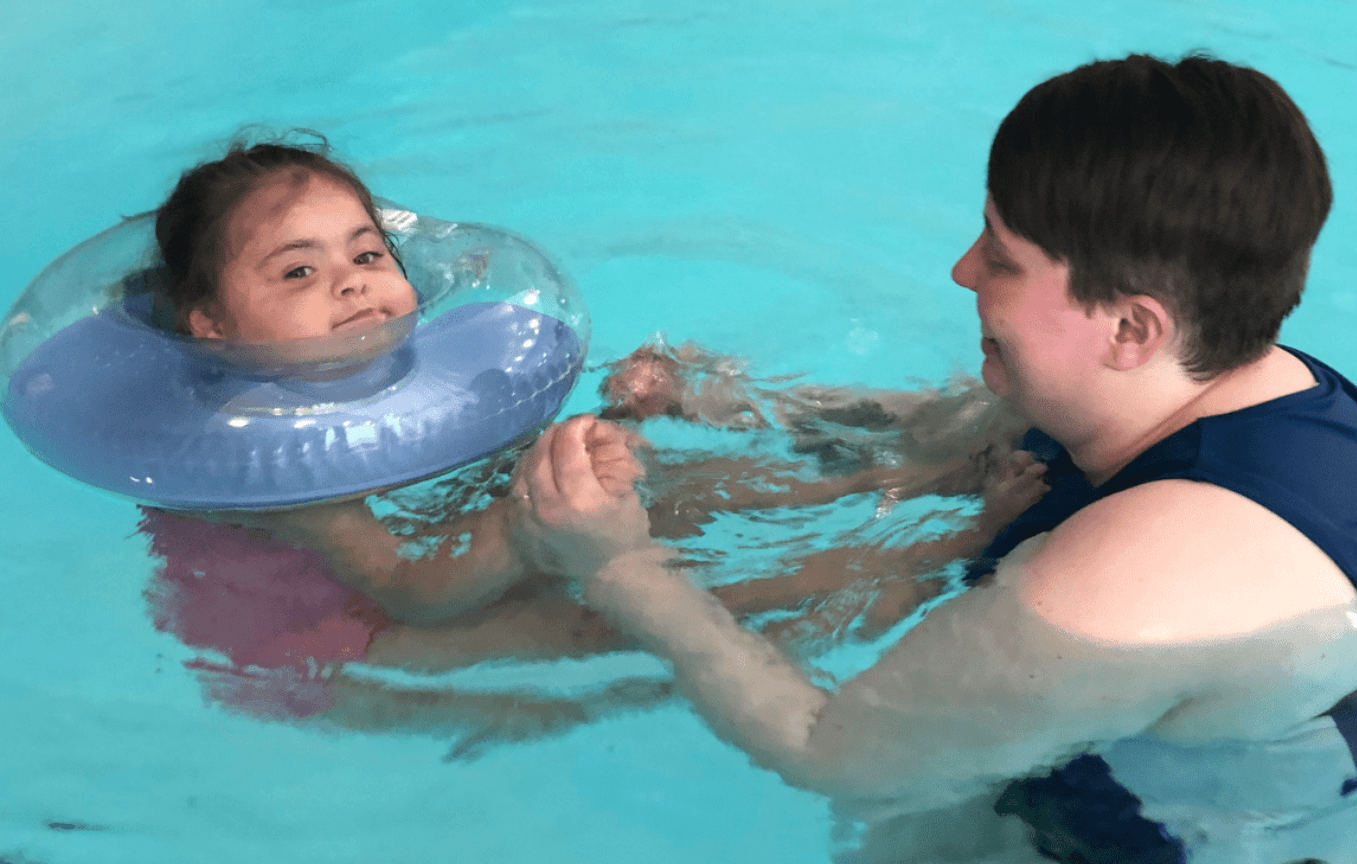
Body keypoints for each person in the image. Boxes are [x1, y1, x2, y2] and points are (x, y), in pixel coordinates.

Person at [510, 53, 1357, 864]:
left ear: (1132, 326)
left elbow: (832, 752)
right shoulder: (1251, 384)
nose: (962, 271)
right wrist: (723, 402)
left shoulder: (1126, 591)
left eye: (1001, 255)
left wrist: (617, 566)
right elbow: (963, 426)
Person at [140, 137, 1048, 748]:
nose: (350, 285)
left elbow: (489, 472)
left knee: (674, 490)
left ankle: (921, 474)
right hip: (331, 638)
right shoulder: (279, 461)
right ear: (213, 327)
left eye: (366, 254)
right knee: (595, 612)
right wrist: (526, 528)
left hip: (440, 550)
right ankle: (948, 549)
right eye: (300, 271)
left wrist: (615, 427)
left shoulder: (423, 371)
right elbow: (413, 592)